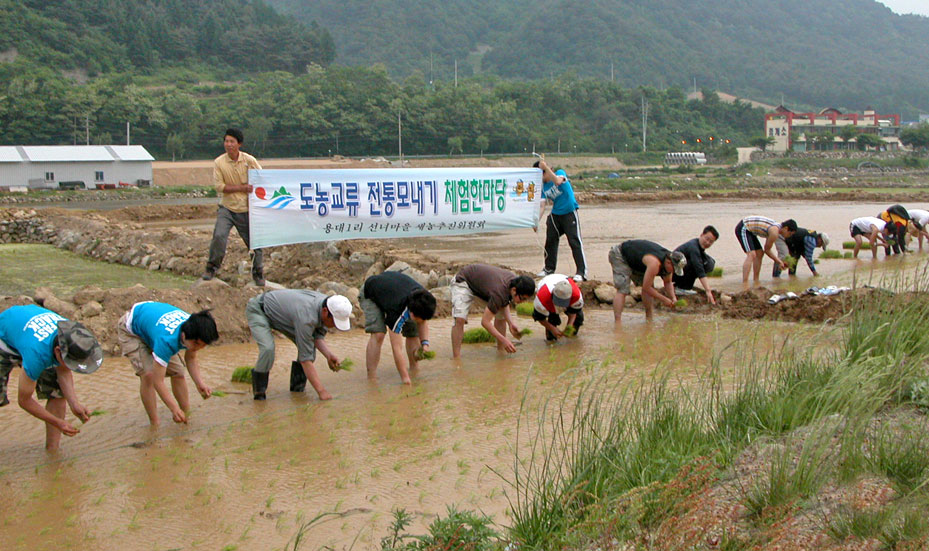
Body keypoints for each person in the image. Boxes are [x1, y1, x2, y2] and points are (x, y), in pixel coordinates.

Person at [0, 305, 102, 450]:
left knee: (57, 393)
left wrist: (74, 404)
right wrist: (57, 422)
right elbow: (24, 400)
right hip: (4, 337)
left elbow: (64, 371)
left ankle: (52, 450)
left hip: (30, 335)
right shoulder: (37, 354)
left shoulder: (71, 333)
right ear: (58, 351)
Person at [117, 302, 217, 426]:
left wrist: (199, 383)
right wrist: (173, 408)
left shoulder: (195, 328)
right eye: (197, 344)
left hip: (153, 324)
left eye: (203, 345)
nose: (199, 348)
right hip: (132, 329)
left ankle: (186, 416)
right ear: (184, 335)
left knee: (178, 372)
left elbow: (191, 358)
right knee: (148, 375)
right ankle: (155, 424)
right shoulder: (167, 341)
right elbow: (157, 381)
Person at [245, 290, 352, 401]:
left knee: (309, 350)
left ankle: (297, 393)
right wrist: (322, 392)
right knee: (268, 349)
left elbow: (316, 337)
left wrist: (329, 355)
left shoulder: (328, 304)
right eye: (334, 322)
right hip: (259, 310)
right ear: (325, 311)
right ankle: (259, 395)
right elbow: (305, 359)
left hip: (284, 316)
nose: (334, 326)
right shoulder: (306, 317)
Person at [202, 128, 265, 285]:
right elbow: (219, 187)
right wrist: (242, 188)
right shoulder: (219, 163)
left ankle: (258, 272)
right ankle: (212, 267)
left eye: (232, 141)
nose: (228, 144)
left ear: (239, 144)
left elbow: (262, 178)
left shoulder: (249, 160)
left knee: (255, 241)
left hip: (246, 209)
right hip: (227, 209)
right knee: (219, 236)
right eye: (226, 141)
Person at [360, 271, 437, 384]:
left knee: (412, 332)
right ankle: (372, 378)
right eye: (419, 318)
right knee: (379, 334)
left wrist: (425, 344)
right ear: (412, 314)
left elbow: (422, 322)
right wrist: (405, 378)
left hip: (392, 288)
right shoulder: (396, 311)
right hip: (371, 292)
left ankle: (414, 369)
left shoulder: (423, 298)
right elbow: (396, 348)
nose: (422, 321)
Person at [451, 264, 536, 358]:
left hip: (482, 286)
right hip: (464, 281)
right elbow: (485, 322)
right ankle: (456, 358)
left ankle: (501, 351)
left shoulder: (513, 282)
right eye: (522, 298)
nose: (522, 302)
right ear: (514, 290)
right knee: (459, 319)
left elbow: (504, 302)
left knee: (501, 316)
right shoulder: (499, 291)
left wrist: (511, 323)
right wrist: (504, 339)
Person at [534, 157, 588, 282]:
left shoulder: (560, 173)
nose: (540, 179)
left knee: (574, 241)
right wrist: (536, 220)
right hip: (556, 215)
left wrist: (545, 167)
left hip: (569, 213)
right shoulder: (543, 187)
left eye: (540, 175)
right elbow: (542, 205)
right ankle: (549, 269)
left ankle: (582, 272)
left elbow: (558, 182)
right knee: (550, 242)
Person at [609, 240, 687, 323]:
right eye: (674, 269)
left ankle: (649, 318)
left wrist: (673, 298)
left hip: (637, 262)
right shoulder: (654, 263)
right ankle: (617, 323)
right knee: (623, 290)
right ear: (668, 262)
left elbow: (668, 282)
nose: (674, 272)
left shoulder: (668, 264)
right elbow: (647, 288)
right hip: (620, 255)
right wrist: (664, 299)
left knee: (649, 289)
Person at [735, 216, 797, 284]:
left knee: (760, 253)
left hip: (750, 231)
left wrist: (779, 261)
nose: (789, 236)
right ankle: (745, 282)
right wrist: (779, 261)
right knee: (751, 254)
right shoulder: (774, 233)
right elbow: (767, 250)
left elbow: (766, 250)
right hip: (744, 227)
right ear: (786, 228)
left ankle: (756, 280)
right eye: (790, 234)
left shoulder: (777, 229)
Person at [673, 225, 719, 305]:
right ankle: (682, 287)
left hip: (680, 269)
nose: (707, 243)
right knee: (695, 264)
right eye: (706, 239)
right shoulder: (693, 247)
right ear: (701, 235)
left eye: (711, 242)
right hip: (673, 272)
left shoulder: (698, 246)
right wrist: (708, 291)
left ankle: (684, 285)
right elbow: (699, 269)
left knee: (710, 263)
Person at [532, 274, 584, 341]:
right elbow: (539, 317)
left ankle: (572, 338)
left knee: (578, 318)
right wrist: (552, 328)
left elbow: (574, 312)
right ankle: (551, 341)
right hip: (547, 287)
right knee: (553, 320)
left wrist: (570, 325)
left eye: (563, 302)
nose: (561, 306)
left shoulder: (577, 296)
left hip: (563, 281)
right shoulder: (542, 299)